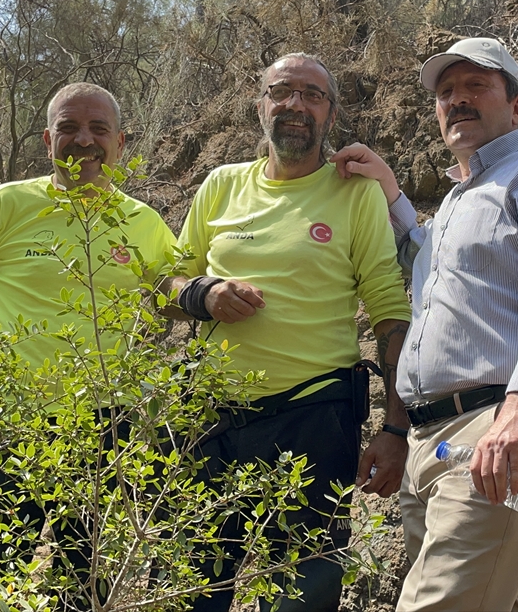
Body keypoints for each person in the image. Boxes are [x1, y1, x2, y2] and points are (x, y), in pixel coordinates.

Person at [332, 38, 518, 611]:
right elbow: (430, 265)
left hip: (496, 429)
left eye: (477, 86)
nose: (458, 100)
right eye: (446, 92)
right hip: (430, 445)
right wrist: (391, 192)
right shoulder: (459, 198)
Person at [166, 52, 412, 612]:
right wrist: (201, 295)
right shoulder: (221, 186)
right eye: (281, 91)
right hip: (210, 420)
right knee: (190, 592)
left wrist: (395, 429)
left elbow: (390, 312)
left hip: (314, 420)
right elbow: (164, 283)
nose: (295, 104)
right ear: (260, 106)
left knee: (304, 597)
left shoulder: (355, 193)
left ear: (330, 114)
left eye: (312, 94)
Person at [0, 82, 176, 608]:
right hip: (4, 424)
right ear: (47, 140)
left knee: (82, 588)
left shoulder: (144, 223)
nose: (83, 140)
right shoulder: (7, 204)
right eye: (68, 128)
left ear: (120, 143)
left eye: (97, 129)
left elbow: (183, 296)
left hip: (104, 430)